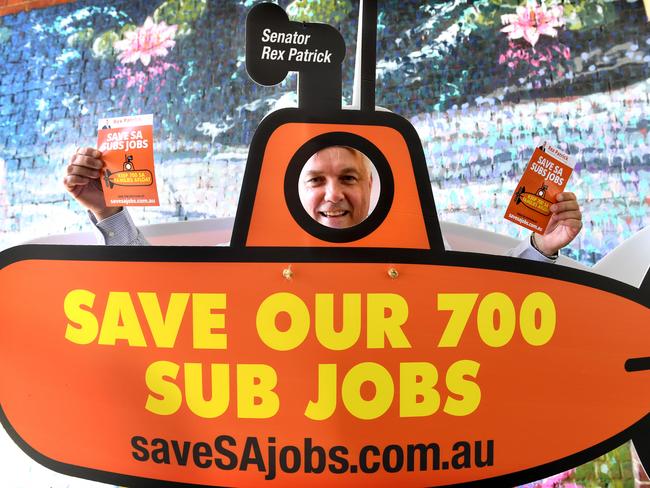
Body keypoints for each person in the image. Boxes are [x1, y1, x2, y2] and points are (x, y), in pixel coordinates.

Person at [64, 146, 583, 260]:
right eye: (316, 180)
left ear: (371, 187)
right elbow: (156, 302)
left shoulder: (417, 248)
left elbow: (495, 314)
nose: (333, 194)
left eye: (349, 177)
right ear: (293, 187)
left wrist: (543, 247)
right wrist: (107, 212)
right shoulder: (249, 248)